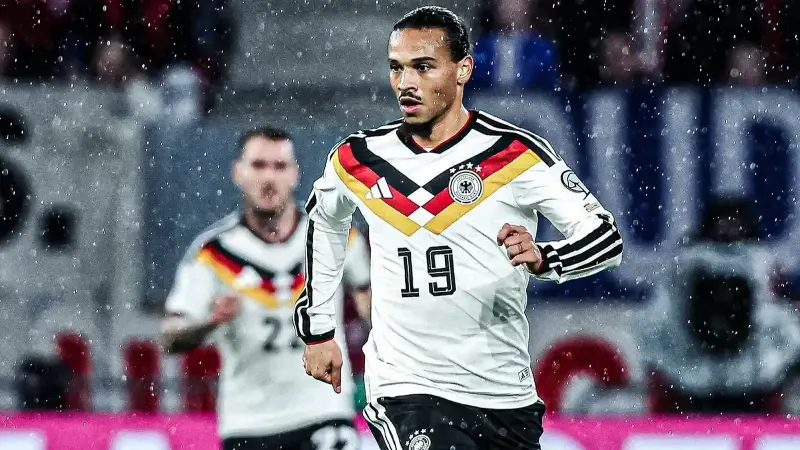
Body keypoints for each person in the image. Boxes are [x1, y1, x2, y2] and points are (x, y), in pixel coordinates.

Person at [295, 6, 623, 450]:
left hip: (505, 397)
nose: (405, 83)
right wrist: (318, 328)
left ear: (463, 69)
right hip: (407, 390)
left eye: (423, 67)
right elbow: (325, 222)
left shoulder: (515, 154)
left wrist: (548, 257)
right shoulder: (358, 158)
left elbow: (606, 239)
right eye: (397, 68)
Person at [162, 127, 371, 450]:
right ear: (238, 173)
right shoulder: (213, 253)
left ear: (295, 174)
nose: (269, 177)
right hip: (249, 423)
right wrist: (211, 321)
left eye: (279, 166)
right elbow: (170, 337)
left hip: (324, 411)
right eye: (259, 166)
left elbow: (374, 308)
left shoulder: (334, 234)